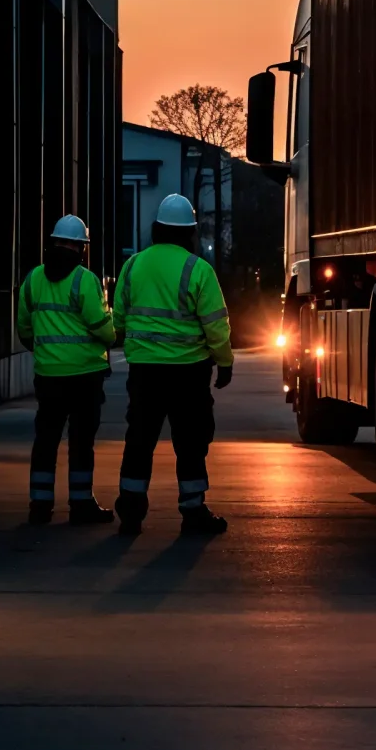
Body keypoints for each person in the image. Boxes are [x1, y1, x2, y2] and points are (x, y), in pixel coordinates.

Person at [113, 192, 233, 539]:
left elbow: (118, 319)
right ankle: (193, 512)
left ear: (156, 229)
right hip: (189, 373)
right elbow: (215, 325)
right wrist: (224, 363)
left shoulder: (133, 266)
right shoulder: (198, 270)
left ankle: (131, 513)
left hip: (144, 372)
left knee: (139, 441)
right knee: (191, 444)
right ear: (190, 232)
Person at [16, 213, 116, 525]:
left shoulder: (33, 279)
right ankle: (81, 503)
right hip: (85, 376)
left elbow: (24, 328)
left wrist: (46, 351)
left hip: (48, 376)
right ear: (80, 247)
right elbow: (102, 329)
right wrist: (114, 332)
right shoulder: (83, 280)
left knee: (45, 439)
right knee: (81, 442)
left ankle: (40, 504)